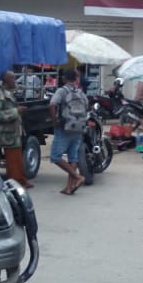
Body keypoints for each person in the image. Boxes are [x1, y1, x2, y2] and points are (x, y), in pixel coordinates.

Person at [49, 67, 89, 195]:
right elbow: (87, 105)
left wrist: (54, 120)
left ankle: (78, 177)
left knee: (55, 156)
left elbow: (52, 104)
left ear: (64, 78)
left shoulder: (62, 91)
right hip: (78, 128)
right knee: (73, 157)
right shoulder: (80, 91)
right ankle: (69, 187)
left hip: (64, 128)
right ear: (76, 78)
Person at [0, 70, 33, 189]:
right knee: (12, 160)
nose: (15, 81)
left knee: (17, 158)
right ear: (6, 80)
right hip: (5, 133)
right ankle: (15, 183)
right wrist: (16, 111)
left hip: (14, 131)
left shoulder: (9, 92)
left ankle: (20, 179)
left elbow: (21, 88)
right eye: (13, 79)